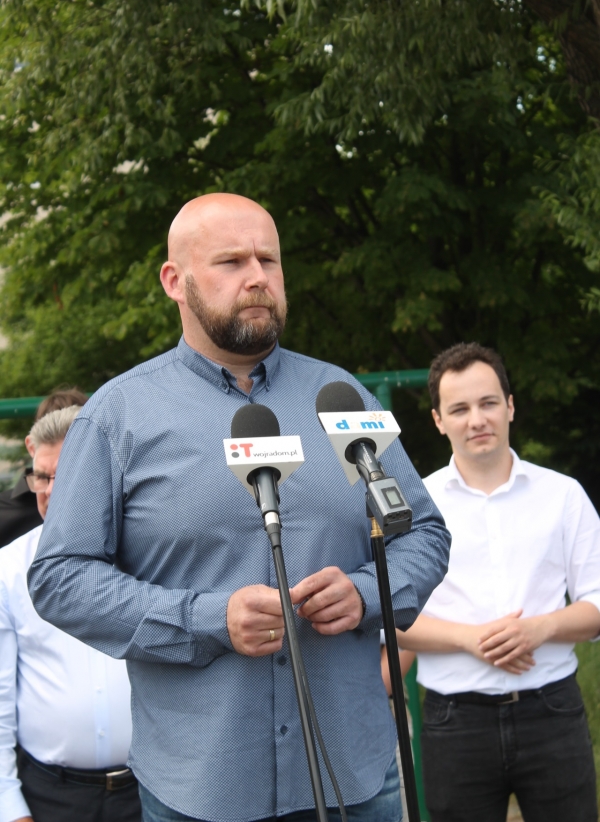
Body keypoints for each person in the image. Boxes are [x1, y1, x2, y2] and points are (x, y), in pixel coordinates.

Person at [28, 193, 451, 822]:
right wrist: (205, 619)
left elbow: (424, 533)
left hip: (355, 778)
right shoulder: (117, 417)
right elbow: (60, 577)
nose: (257, 277)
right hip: (201, 786)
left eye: (268, 260)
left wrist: (366, 594)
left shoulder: (340, 395)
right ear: (175, 281)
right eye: (231, 261)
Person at [393, 342, 600, 822]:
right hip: (454, 720)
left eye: (488, 403)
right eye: (459, 409)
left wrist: (540, 629)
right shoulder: (412, 506)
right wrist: (469, 639)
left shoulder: (563, 495)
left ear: (509, 405)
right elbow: (391, 617)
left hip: (552, 710)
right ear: (438, 420)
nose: (477, 419)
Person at [0, 406, 141, 822]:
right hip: (49, 797)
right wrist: (9, 807)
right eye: (41, 477)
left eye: (61, 476)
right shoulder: (8, 569)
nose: (47, 491)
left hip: (150, 789)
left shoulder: (150, 557)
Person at [0, 388, 88, 548]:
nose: (50, 491)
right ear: (32, 446)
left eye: (66, 476)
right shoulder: (13, 555)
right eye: (42, 477)